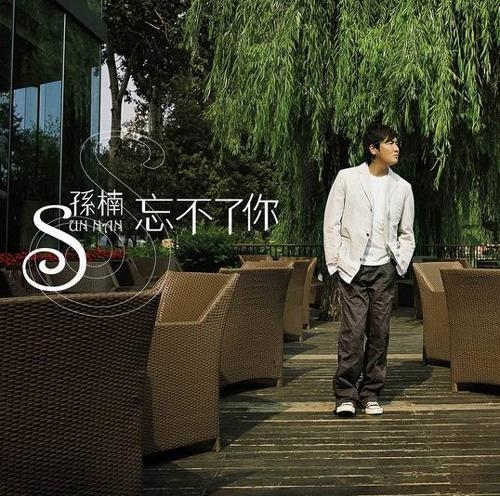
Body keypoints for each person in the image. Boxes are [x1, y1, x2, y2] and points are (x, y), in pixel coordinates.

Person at [323, 123, 415, 417]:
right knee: (352, 332)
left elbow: (407, 233)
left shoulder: (403, 187)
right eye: (390, 143)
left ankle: (371, 392)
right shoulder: (347, 178)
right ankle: (346, 394)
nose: (396, 148)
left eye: (397, 142)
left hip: (384, 268)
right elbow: (332, 223)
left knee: (379, 332)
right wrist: (335, 262)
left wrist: (399, 263)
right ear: (373, 149)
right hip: (353, 268)